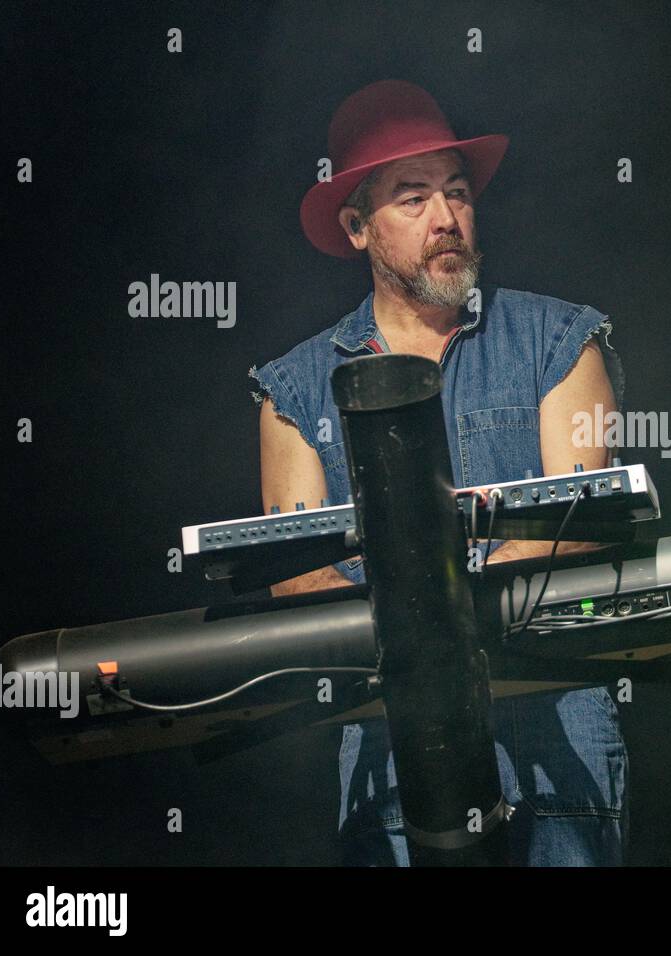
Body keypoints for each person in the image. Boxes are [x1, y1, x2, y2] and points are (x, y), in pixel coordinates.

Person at [248, 80, 628, 865]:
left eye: (457, 193)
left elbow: (582, 522)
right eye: (413, 199)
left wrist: (417, 595)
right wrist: (457, 597)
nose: (447, 217)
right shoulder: (293, 388)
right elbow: (297, 581)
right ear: (357, 226)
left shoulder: (558, 338)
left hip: (554, 714)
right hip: (389, 737)